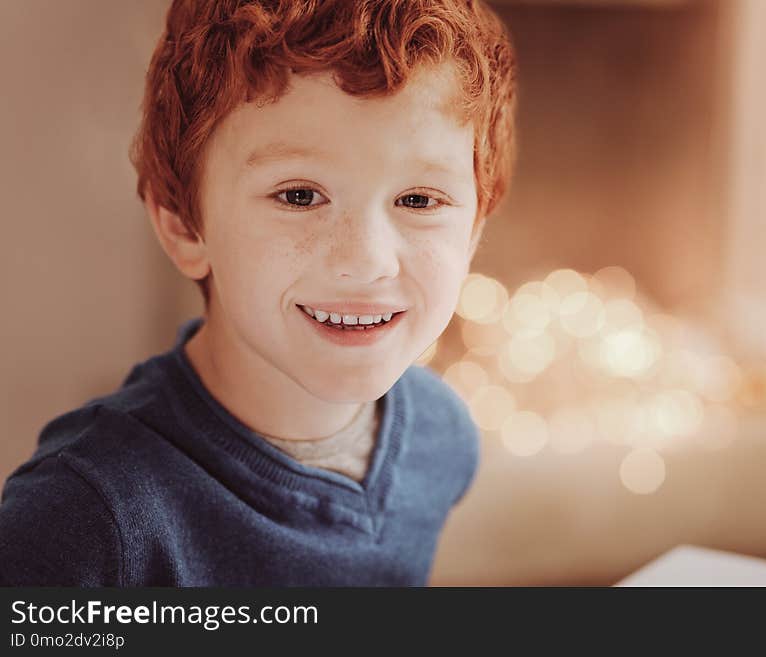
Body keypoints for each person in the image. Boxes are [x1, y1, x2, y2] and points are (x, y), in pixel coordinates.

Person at [0, 0, 517, 586]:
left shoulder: (441, 436)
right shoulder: (84, 517)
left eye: (419, 201)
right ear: (184, 226)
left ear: (474, 232)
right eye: (299, 196)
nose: (366, 262)